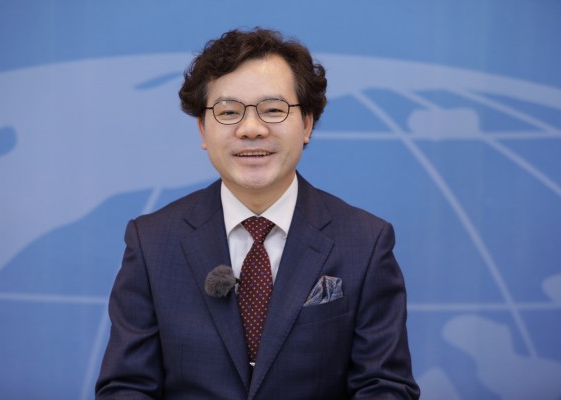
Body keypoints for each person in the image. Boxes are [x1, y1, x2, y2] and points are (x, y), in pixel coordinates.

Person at [95, 28, 420, 399]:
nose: (251, 129)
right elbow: (128, 386)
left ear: (307, 124)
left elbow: (384, 386)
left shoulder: (366, 241)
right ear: (203, 129)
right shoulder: (152, 242)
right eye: (228, 112)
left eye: (273, 110)